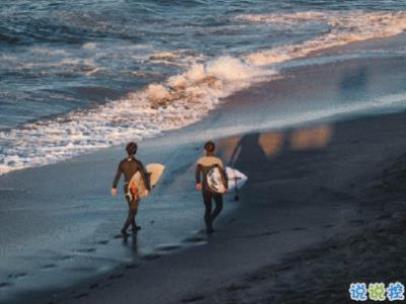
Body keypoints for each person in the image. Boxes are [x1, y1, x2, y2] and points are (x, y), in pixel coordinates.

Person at [111, 142, 151, 236]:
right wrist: (147, 188)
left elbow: (118, 175)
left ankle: (133, 226)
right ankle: (124, 229)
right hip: (134, 187)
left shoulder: (122, 163)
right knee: (134, 210)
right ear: (135, 151)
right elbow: (144, 176)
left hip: (126, 187)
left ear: (127, 151)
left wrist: (114, 187)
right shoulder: (137, 163)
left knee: (130, 207)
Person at [195, 141, 227, 234]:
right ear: (214, 149)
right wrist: (225, 186)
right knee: (219, 206)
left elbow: (197, 173)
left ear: (205, 150)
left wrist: (198, 183)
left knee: (208, 208)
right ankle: (210, 220)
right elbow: (222, 174)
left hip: (205, 188)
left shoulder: (200, 161)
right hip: (215, 187)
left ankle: (209, 227)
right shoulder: (217, 161)